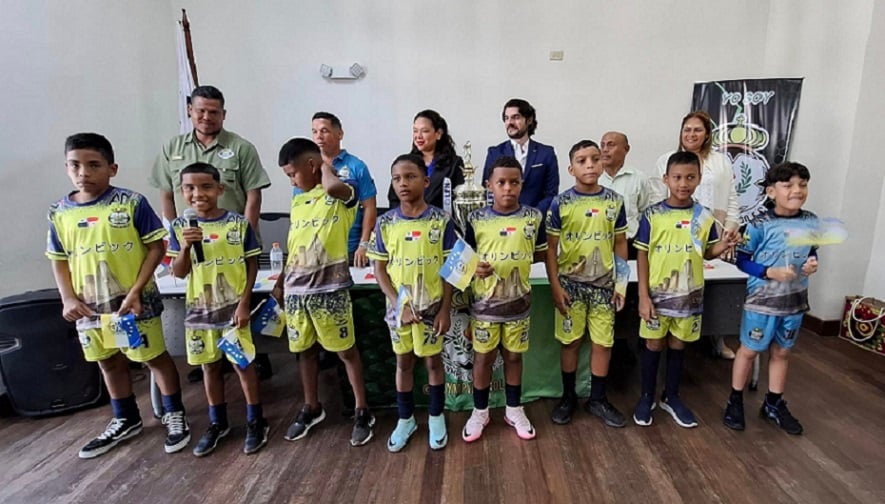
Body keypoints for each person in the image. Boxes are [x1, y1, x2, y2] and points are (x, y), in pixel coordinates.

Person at [47, 133, 190, 458]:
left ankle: (174, 413)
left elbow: (157, 246)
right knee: (107, 361)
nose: (83, 172)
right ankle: (125, 418)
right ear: (66, 167)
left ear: (111, 168)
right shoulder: (59, 212)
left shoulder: (131, 203)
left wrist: (138, 289)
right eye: (75, 165)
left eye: (93, 165)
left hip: (134, 302)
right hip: (90, 307)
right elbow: (59, 260)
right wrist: (68, 298)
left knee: (154, 357)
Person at [149, 85, 273, 380]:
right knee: (200, 294)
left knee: (243, 300)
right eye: (200, 110)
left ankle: (255, 355)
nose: (206, 117)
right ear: (190, 111)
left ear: (223, 114)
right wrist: (175, 233)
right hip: (193, 243)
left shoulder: (241, 148)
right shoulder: (173, 149)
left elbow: (253, 196)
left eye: (213, 112)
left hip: (235, 241)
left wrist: (246, 233)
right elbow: (167, 194)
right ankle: (209, 353)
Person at [273, 138, 375, 446]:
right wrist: (281, 283)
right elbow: (295, 245)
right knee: (304, 351)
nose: (292, 181)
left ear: (312, 165)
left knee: (345, 350)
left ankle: (361, 409)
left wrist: (325, 164)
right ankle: (311, 406)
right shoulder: (298, 200)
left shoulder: (343, 195)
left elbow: (331, 188)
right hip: (297, 292)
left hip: (330, 290)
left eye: (293, 174)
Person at [167, 163, 269, 456]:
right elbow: (179, 272)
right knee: (209, 367)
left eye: (206, 186)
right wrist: (185, 247)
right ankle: (217, 422)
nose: (198, 193)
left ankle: (255, 419)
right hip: (200, 313)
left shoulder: (237, 224)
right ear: (182, 191)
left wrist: (245, 302)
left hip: (233, 312)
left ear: (219, 189)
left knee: (243, 365)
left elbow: (251, 263)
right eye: (190, 188)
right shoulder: (180, 227)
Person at [633, 151, 739, 428]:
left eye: (690, 177)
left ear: (699, 179)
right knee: (654, 343)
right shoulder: (652, 215)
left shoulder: (703, 217)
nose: (683, 184)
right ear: (666, 179)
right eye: (677, 178)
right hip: (656, 298)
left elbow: (707, 252)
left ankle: (672, 396)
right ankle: (647, 397)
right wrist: (643, 296)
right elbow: (642, 256)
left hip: (688, 299)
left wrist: (724, 245)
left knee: (678, 344)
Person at [369, 154, 457, 451]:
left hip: (432, 310)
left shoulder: (441, 221)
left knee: (433, 362)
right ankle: (405, 419)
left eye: (410, 176)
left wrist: (445, 308)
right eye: (397, 178)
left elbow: (450, 269)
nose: (403, 183)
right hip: (400, 314)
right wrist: (398, 304)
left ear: (426, 180)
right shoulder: (385, 223)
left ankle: (435, 416)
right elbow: (380, 269)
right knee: (403, 363)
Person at [723, 162, 818, 435]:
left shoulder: (811, 221)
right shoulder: (758, 224)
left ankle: (774, 403)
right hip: (762, 302)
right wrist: (768, 271)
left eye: (802, 184)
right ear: (772, 192)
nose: (797, 190)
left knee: (782, 351)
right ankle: (735, 400)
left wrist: (812, 262)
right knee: (750, 350)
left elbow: (812, 251)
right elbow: (741, 259)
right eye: (788, 185)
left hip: (794, 301)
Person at [461, 156, 547, 443]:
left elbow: (540, 252)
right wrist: (475, 267)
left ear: (522, 184)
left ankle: (513, 408)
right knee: (483, 358)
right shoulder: (476, 219)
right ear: (489, 186)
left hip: (519, 305)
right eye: (501, 182)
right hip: (484, 307)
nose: (508, 188)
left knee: (513, 356)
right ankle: (480, 411)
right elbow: (464, 260)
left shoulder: (534, 218)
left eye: (514, 182)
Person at [546, 140, 629, 428]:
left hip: (605, 288)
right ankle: (568, 397)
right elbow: (550, 248)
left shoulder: (614, 201)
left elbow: (620, 243)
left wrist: (621, 285)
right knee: (570, 343)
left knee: (603, 344)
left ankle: (598, 399)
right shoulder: (561, 203)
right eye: (582, 160)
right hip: (571, 288)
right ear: (571, 169)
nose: (590, 164)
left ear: (603, 163)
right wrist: (556, 287)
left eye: (595, 158)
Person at [654, 111, 740, 359]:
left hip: (712, 230)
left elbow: (731, 196)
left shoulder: (721, 161)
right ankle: (665, 334)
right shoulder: (667, 160)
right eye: (687, 130)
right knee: (677, 281)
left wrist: (731, 226)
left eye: (697, 130)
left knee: (714, 286)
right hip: (675, 233)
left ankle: (718, 338)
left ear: (707, 134)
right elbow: (655, 195)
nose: (691, 134)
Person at [308, 112, 377, 267]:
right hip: (316, 251)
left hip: (351, 250)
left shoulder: (356, 166)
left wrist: (364, 244)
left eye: (324, 131)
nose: (318, 136)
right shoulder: (307, 167)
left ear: (340, 134)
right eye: (314, 131)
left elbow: (369, 207)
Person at [482, 99, 559, 215]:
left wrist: (533, 215)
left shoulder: (547, 153)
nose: (510, 122)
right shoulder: (494, 153)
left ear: (529, 120)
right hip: (502, 221)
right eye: (506, 118)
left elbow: (551, 193)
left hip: (536, 221)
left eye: (515, 117)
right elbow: (487, 190)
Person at [387, 110, 464, 210]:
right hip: (407, 221)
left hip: (439, 221)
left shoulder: (454, 164)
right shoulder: (406, 163)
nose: (418, 136)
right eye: (415, 131)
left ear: (438, 134)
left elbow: (458, 200)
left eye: (424, 131)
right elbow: (394, 198)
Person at [599, 131, 658, 252]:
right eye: (602, 145)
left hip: (630, 244)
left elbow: (645, 211)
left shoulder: (638, 178)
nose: (605, 149)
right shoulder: (593, 177)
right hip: (598, 243)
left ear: (626, 149)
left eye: (611, 145)